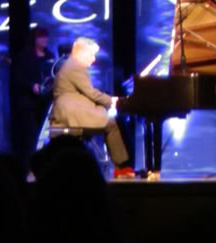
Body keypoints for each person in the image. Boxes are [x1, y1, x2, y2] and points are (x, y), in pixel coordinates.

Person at [50, 37, 134, 179]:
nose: (94, 59)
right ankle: (122, 167)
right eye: (92, 55)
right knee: (110, 123)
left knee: (110, 119)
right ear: (82, 53)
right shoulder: (75, 67)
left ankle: (122, 166)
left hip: (72, 109)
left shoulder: (71, 65)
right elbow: (91, 93)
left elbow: (87, 92)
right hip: (71, 113)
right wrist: (112, 101)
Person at [9, 26, 54, 158]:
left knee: (43, 135)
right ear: (35, 39)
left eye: (45, 36)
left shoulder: (50, 56)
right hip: (28, 104)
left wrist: (49, 82)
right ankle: (29, 164)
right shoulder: (25, 57)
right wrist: (31, 86)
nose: (44, 40)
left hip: (44, 102)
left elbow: (53, 74)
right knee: (31, 136)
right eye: (41, 37)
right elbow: (18, 77)